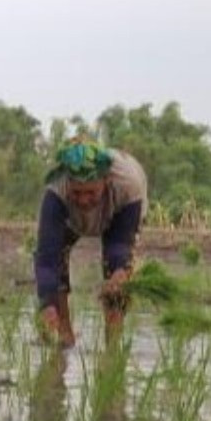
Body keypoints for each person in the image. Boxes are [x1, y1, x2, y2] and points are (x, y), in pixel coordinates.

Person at [34, 139, 147, 348]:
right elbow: (46, 258)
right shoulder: (56, 193)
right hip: (72, 219)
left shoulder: (128, 185)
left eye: (91, 192)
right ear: (68, 183)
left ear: (105, 180)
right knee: (57, 262)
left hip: (118, 212)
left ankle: (112, 346)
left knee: (116, 278)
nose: (84, 200)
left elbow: (119, 243)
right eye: (77, 192)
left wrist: (120, 270)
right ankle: (64, 336)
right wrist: (47, 304)